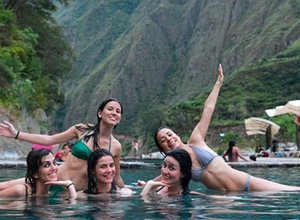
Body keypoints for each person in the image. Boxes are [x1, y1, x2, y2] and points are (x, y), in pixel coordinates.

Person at [154, 64, 300, 192]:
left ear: (177, 134)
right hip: (223, 198)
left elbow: (208, 109)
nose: (169, 139)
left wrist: (218, 84)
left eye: (169, 134)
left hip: (246, 183)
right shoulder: (177, 166)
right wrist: (147, 185)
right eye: (163, 140)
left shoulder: (196, 140)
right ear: (164, 149)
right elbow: (163, 177)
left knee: (292, 191)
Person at [0, 98, 125, 191]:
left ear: (119, 118)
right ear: (100, 113)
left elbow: (116, 177)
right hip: (51, 179)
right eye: (110, 109)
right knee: (3, 187)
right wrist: (16, 134)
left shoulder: (116, 146)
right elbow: (50, 140)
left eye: (118, 111)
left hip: (71, 191)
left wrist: (133, 192)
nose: (114, 112)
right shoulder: (83, 129)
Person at [0, 148, 76, 199]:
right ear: (35, 174)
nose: (54, 168)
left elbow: (73, 207)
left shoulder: (53, 191)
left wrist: (69, 185)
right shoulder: (22, 190)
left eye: (54, 163)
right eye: (46, 165)